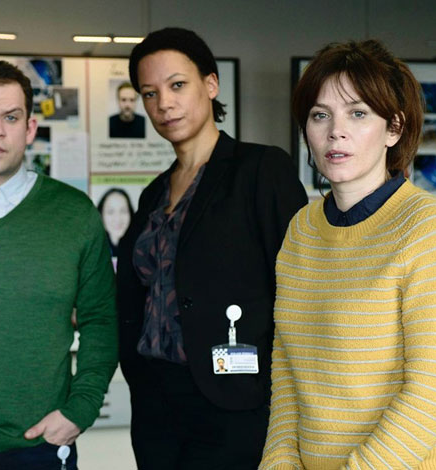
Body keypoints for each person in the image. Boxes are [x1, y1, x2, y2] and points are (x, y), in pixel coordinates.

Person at [116, 27, 308, 469]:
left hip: (233, 400)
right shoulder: (153, 193)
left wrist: (280, 398)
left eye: (177, 85)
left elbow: (300, 289)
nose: (164, 104)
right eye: (150, 93)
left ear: (211, 84)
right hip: (155, 400)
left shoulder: (260, 169)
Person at [260, 40, 436, 470]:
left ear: (393, 128)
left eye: (357, 113)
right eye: (320, 115)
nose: (335, 131)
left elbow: (431, 393)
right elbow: (287, 372)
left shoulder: (426, 227)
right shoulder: (302, 230)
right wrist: (278, 463)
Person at [0, 60, 118, 469]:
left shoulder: (75, 213)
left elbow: (101, 319)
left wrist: (80, 409)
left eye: (11, 117)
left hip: (45, 441)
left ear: (30, 128)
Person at [96, 187, 135, 257]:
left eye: (123, 211)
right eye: (110, 212)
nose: (117, 218)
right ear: (101, 215)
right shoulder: (94, 250)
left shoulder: (141, 249)